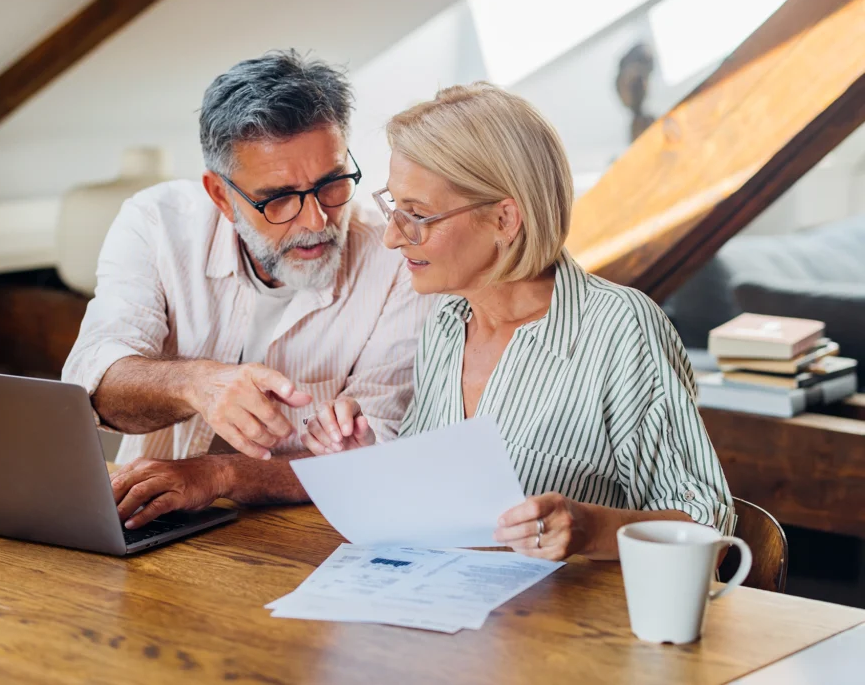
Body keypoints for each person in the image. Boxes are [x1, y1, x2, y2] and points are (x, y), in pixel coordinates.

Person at [302, 83, 735, 562]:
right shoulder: (445, 322)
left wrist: (590, 530)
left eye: (417, 215)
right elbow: (437, 506)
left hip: (578, 628)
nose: (391, 238)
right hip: (452, 618)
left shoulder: (620, 330)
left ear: (505, 220)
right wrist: (364, 460)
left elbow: (707, 528)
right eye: (394, 208)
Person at [63, 51, 432, 529]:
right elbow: (93, 383)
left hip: (315, 536)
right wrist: (198, 384)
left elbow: (377, 451)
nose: (317, 221)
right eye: (279, 199)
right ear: (221, 195)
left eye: (333, 184)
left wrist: (220, 474)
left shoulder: (397, 259)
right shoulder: (156, 224)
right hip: (151, 529)